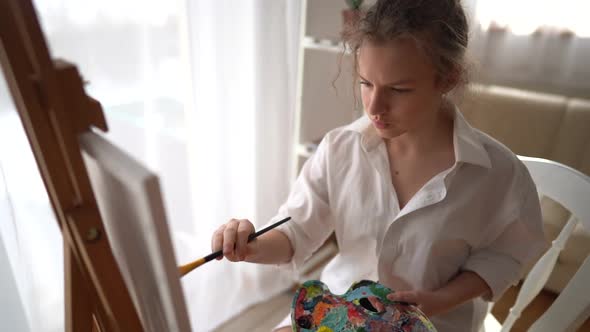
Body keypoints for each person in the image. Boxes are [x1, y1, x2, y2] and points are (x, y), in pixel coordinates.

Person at [210, 0, 548, 331]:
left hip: (434, 322)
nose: (374, 107)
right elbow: (295, 232)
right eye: (366, 83)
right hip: (338, 315)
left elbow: (505, 255)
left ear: (447, 78)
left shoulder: (496, 173)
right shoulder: (340, 149)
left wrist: (438, 300)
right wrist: (248, 245)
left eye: (398, 89)